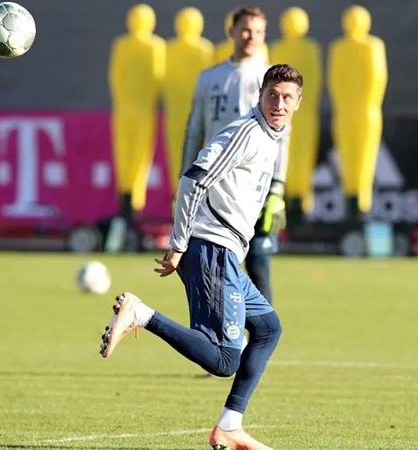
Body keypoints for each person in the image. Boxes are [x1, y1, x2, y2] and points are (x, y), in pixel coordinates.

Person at [100, 63, 304, 450]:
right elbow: (194, 178)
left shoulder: (272, 136)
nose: (279, 103)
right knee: (224, 360)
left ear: (298, 104)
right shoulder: (246, 132)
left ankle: (230, 425)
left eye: (287, 98)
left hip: (226, 251)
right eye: (272, 95)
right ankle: (141, 313)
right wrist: (179, 243)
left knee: (268, 328)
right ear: (259, 95)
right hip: (212, 245)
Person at [182, 6, 287, 304]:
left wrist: (277, 188)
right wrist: (184, 177)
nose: (251, 36)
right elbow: (194, 131)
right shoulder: (209, 78)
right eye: (245, 29)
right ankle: (223, 336)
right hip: (214, 185)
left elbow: (284, 137)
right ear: (231, 32)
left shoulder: (269, 80)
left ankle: (259, 340)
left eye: (258, 31)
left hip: (255, 186)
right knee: (214, 263)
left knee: (258, 265)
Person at [327, 5, 387, 218]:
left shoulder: (373, 46)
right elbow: (335, 79)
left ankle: (362, 199)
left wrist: (366, 104)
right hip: (345, 110)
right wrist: (343, 103)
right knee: (346, 156)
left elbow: (377, 77)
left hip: (366, 110)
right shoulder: (338, 48)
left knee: (364, 156)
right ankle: (350, 197)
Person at [108, 3, 165, 217]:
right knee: (129, 155)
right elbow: (117, 77)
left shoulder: (153, 46)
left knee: (138, 156)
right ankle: (127, 202)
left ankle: (132, 203)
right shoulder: (124, 45)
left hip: (136, 109)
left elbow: (156, 78)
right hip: (131, 109)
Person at [269, 7, 323, 219]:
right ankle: (287, 196)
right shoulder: (277, 48)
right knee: (284, 154)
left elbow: (315, 78)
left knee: (303, 154)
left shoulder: (311, 48)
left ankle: (301, 198)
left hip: (304, 110)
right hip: (285, 112)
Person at [163, 7, 214, 192]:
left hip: (186, 113)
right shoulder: (201, 49)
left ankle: (181, 199)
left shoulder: (202, 49)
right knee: (190, 158)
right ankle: (182, 200)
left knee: (184, 158)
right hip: (188, 113)